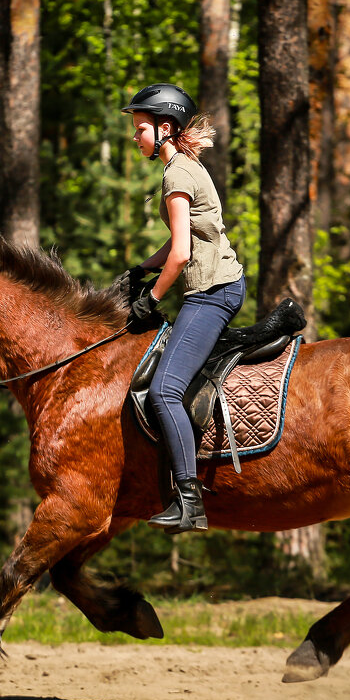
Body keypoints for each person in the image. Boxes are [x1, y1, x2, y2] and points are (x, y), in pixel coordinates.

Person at [122, 83, 246, 534]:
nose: (135, 137)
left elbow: (181, 255)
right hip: (217, 286)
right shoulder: (184, 167)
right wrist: (141, 268)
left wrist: (149, 299)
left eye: (140, 129)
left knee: (164, 391)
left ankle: (190, 502)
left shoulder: (176, 175)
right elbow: (178, 242)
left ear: (165, 128)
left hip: (212, 292)